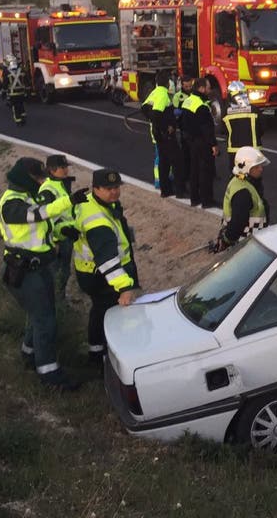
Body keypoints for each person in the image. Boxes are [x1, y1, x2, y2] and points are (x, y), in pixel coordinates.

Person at [0, 156, 83, 391]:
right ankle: (49, 373)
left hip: (37, 268)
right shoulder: (11, 204)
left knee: (39, 315)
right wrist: (70, 201)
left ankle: (29, 353)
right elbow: (38, 215)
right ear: (25, 178)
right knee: (45, 320)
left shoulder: (26, 197)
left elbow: (47, 228)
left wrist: (65, 231)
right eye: (38, 176)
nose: (43, 180)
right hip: (23, 272)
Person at [72, 168, 141, 363]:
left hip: (92, 272)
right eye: (109, 188)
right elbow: (106, 259)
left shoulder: (94, 202)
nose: (114, 192)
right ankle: (104, 358)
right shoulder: (98, 221)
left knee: (100, 310)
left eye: (117, 187)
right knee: (110, 314)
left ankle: (96, 351)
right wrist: (125, 288)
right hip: (101, 276)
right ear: (96, 188)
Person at [210, 146, 271, 252]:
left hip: (246, 243)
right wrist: (226, 241)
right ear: (246, 168)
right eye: (257, 166)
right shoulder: (243, 193)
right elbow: (237, 223)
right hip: (246, 246)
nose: (261, 169)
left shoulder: (239, 181)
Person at [37, 153, 78, 300]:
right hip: (58, 240)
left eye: (66, 166)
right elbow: (45, 218)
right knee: (57, 273)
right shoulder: (48, 190)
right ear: (52, 170)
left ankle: (60, 300)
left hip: (68, 235)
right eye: (62, 167)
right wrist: (58, 236)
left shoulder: (61, 184)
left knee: (64, 271)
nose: (66, 170)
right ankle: (56, 303)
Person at [141, 70, 187, 198]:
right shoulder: (162, 95)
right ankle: (179, 191)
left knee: (164, 162)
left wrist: (155, 124)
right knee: (177, 161)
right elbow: (157, 114)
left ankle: (165, 190)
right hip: (165, 135)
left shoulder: (154, 93)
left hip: (158, 134)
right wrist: (166, 128)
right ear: (167, 83)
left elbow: (144, 108)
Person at [181, 78, 218, 208]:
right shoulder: (201, 105)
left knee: (194, 170)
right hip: (202, 141)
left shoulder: (188, 101)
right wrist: (213, 144)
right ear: (201, 88)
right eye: (208, 88)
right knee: (205, 171)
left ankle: (194, 198)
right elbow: (207, 128)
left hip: (190, 141)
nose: (209, 90)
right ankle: (206, 201)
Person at [222, 80, 262, 171]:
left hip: (234, 150)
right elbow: (262, 128)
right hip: (253, 149)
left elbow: (224, 130)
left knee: (236, 174)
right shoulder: (254, 109)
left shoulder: (226, 112)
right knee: (254, 175)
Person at [0, 54, 28, 126]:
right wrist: (27, 91)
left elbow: (5, 84)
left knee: (15, 107)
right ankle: (23, 117)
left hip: (13, 94)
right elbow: (26, 81)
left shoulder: (6, 72)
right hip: (22, 93)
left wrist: (3, 93)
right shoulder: (21, 70)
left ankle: (18, 121)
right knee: (21, 105)